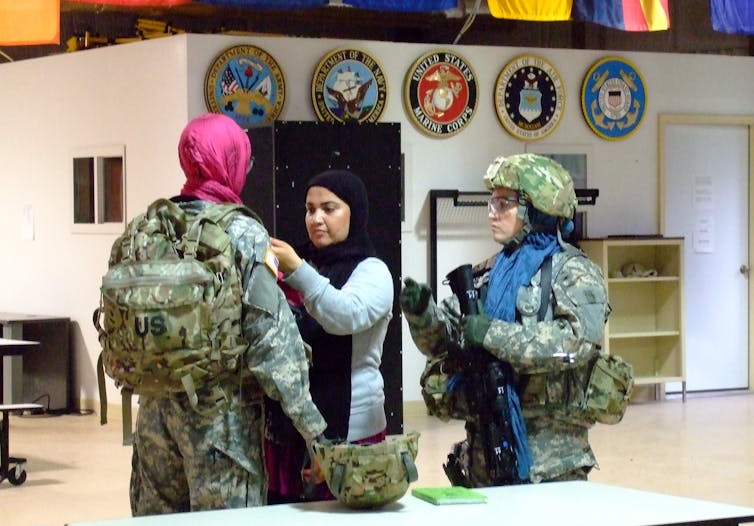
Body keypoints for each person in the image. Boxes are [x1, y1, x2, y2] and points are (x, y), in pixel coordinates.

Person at [128, 113, 326, 515]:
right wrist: (314, 432)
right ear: (230, 161)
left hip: (153, 417)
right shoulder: (242, 233)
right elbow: (272, 341)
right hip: (221, 426)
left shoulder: (151, 226)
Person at [400, 153, 610, 486]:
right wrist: (423, 315)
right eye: (491, 202)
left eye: (504, 203)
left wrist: (492, 333)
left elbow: (577, 341)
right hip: (484, 452)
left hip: (550, 461)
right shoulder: (487, 275)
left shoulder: (573, 272)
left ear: (536, 209)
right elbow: (444, 345)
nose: (491, 212)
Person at [265, 169, 394, 503]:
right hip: (292, 428)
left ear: (355, 211)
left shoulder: (373, 271)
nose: (316, 219)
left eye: (329, 208)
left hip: (351, 428)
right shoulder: (303, 263)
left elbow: (344, 315)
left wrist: (297, 272)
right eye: (310, 209)